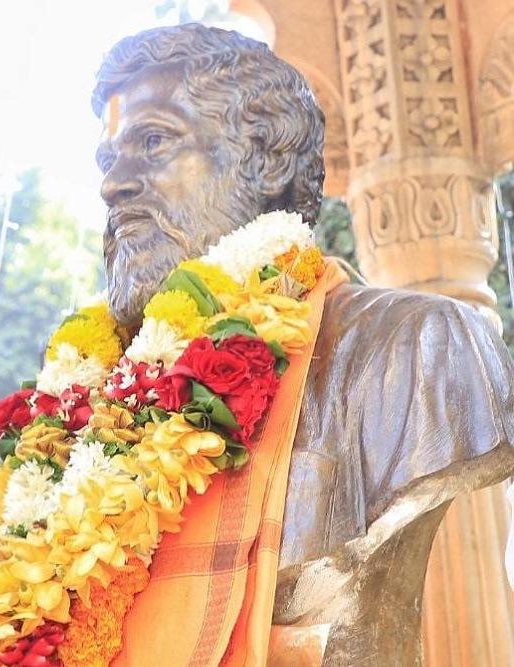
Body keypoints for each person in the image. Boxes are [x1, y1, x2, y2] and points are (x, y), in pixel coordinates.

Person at [93, 24, 514, 665]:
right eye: (107, 159)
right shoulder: (104, 405)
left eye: (154, 142)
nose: (113, 184)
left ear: (266, 162)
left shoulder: (416, 345)